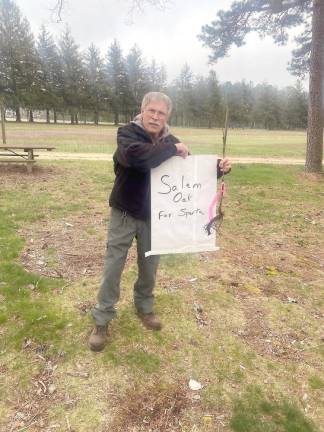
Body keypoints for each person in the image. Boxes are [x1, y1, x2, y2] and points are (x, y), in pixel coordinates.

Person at [89, 92, 231, 352]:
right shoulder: (127, 134)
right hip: (123, 213)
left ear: (168, 116)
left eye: (161, 113)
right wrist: (172, 149)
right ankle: (102, 318)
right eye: (151, 111)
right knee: (113, 267)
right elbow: (138, 159)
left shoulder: (171, 141)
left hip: (155, 216)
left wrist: (218, 169)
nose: (155, 116)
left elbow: (188, 174)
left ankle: (144, 307)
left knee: (149, 266)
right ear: (142, 111)